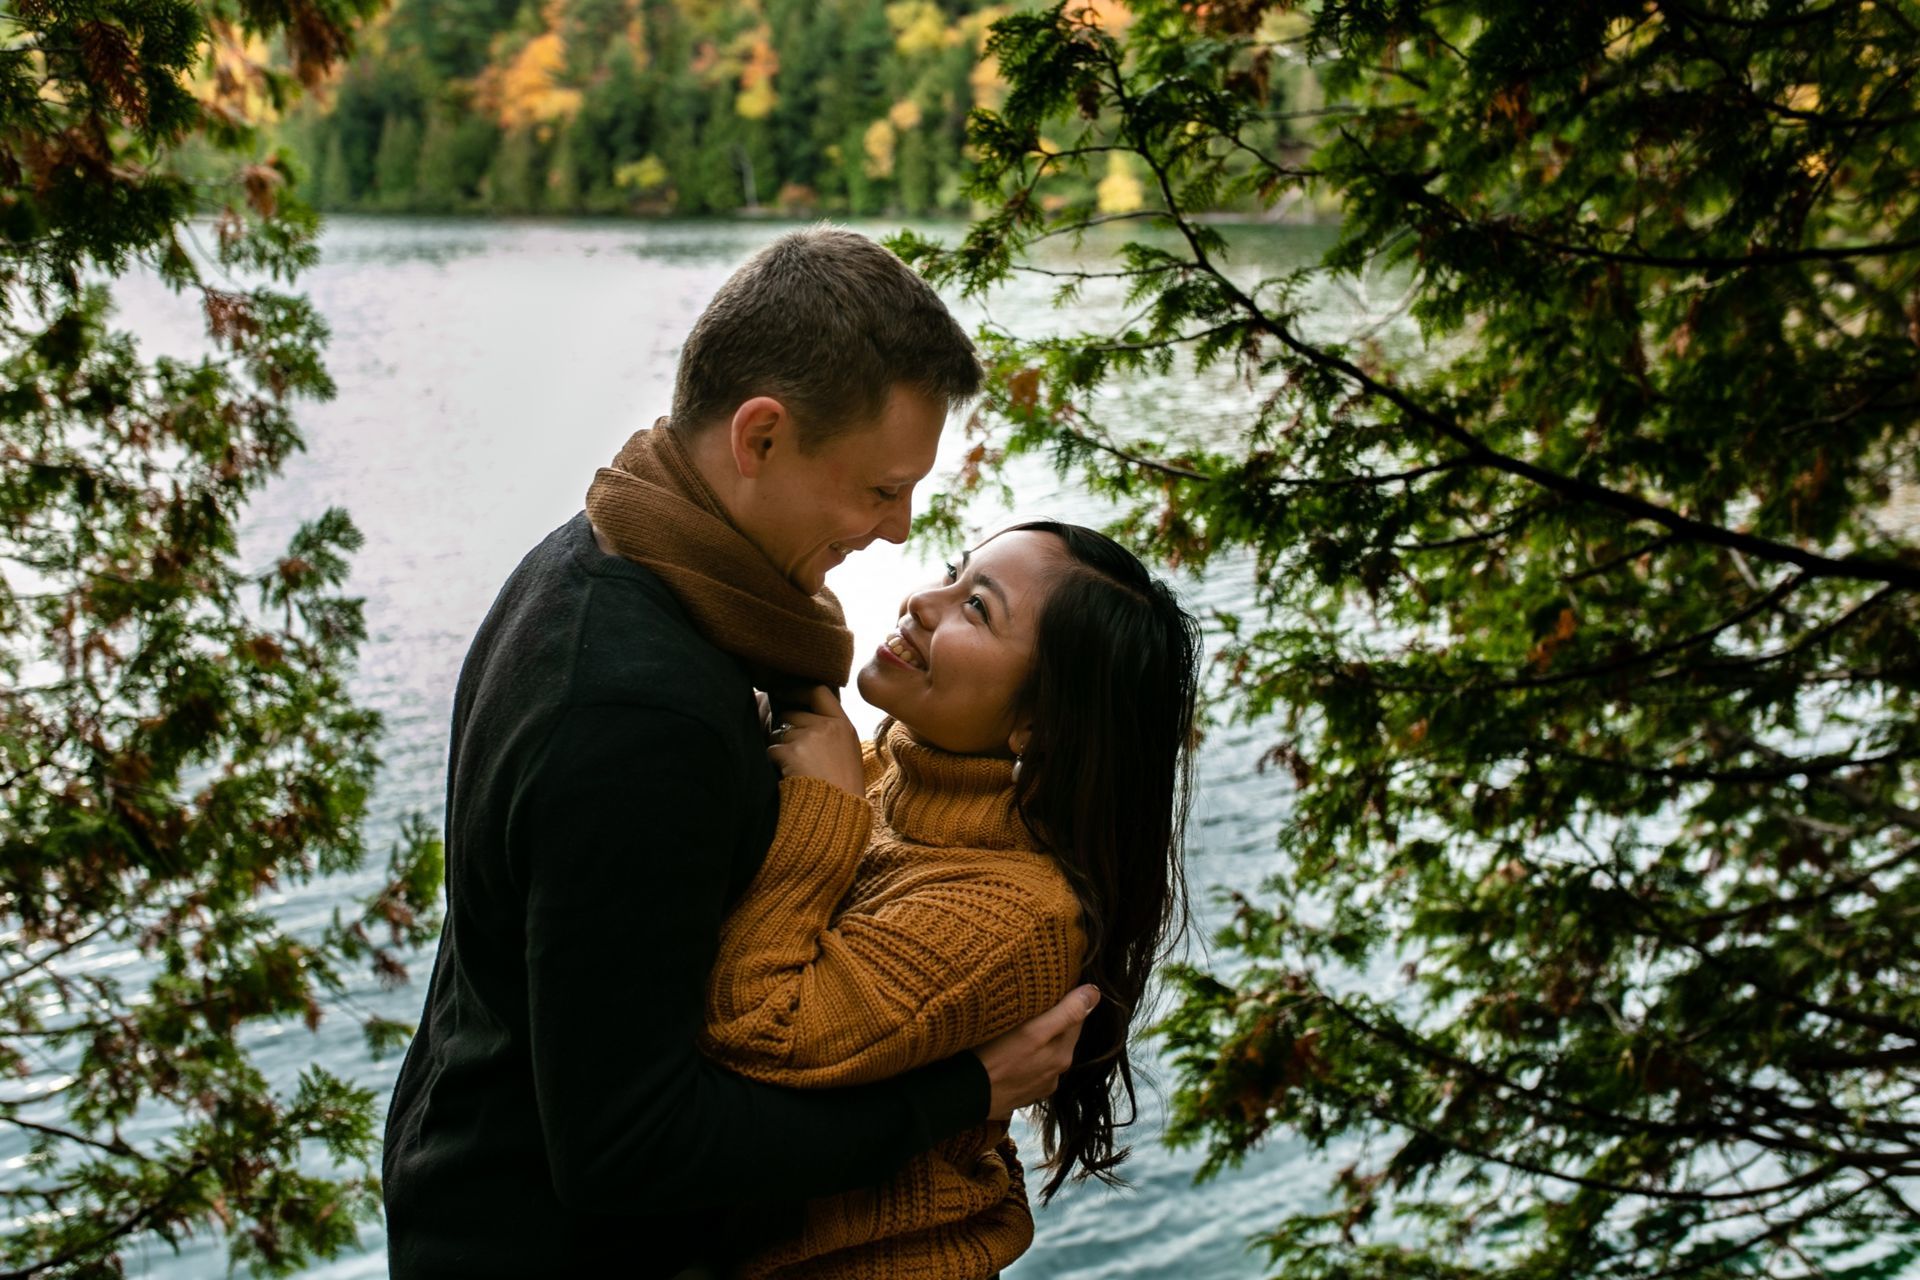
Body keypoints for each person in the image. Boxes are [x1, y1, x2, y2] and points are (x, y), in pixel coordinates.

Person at [382, 228, 1101, 1279]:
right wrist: (960, 1094)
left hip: (471, 1175)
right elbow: (629, 1145)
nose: (899, 530)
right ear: (760, 436)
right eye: (877, 489)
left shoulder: (611, 553)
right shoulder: (638, 708)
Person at [701, 521, 1202, 1279]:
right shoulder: (899, 772)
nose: (922, 602)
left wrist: (821, 810)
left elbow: (755, 1033)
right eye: (951, 573)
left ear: (1038, 723)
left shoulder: (1019, 915)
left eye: (978, 609)